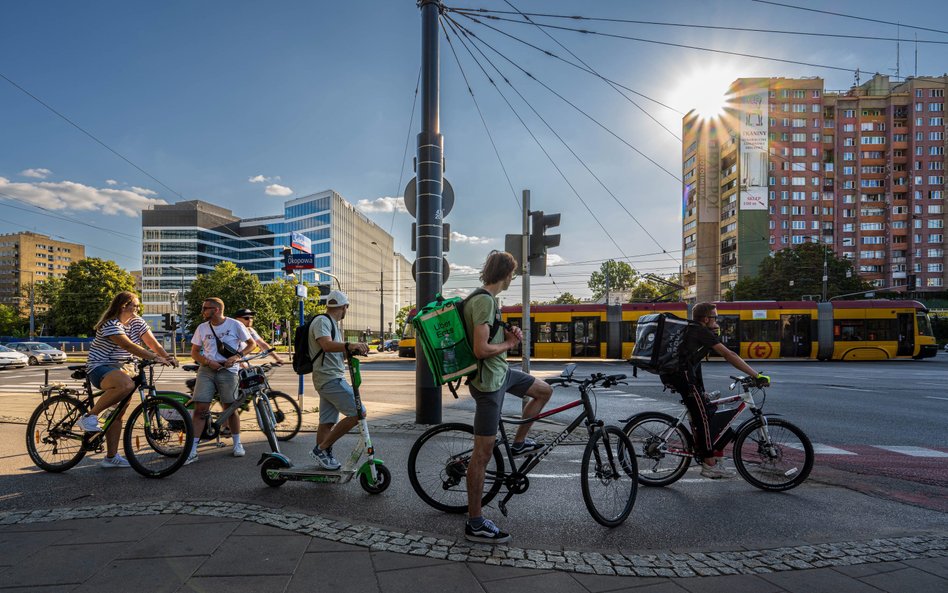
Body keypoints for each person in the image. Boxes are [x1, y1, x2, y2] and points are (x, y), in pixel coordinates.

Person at [462, 250, 553, 544]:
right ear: (506, 274)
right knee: (483, 455)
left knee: (543, 391)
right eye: (512, 273)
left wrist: (506, 333)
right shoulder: (484, 301)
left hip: (502, 374)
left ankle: (517, 443)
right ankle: (475, 522)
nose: (513, 277)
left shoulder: (488, 301)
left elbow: (490, 339)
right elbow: (481, 350)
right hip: (489, 384)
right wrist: (510, 343)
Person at [661, 302, 770, 479]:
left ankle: (717, 457)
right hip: (683, 379)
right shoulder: (700, 331)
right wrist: (756, 375)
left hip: (683, 377)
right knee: (702, 417)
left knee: (710, 412)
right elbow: (729, 355)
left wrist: (701, 390)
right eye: (715, 317)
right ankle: (709, 464)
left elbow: (693, 362)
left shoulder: (696, 329)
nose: (717, 321)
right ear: (706, 319)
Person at [80, 291, 176, 468]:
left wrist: (167, 356)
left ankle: (110, 457)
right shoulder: (110, 324)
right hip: (101, 367)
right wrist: (155, 358)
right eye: (135, 305)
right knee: (126, 385)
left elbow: (153, 343)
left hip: (126, 369)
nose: (138, 308)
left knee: (118, 413)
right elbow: (127, 345)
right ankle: (89, 417)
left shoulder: (137, 321)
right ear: (124, 305)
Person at [187, 298, 254, 464]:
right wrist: (208, 362)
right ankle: (192, 449)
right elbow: (194, 352)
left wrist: (237, 357)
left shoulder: (234, 325)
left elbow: (251, 344)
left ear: (215, 310)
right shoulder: (202, 328)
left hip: (229, 370)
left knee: (229, 408)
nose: (202, 311)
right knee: (200, 408)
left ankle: (237, 444)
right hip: (207, 370)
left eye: (205, 308)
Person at [308, 290, 369, 470]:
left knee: (327, 422)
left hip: (329, 377)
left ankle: (323, 456)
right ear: (344, 307)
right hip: (330, 378)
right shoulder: (322, 321)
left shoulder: (332, 324)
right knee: (359, 413)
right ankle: (321, 449)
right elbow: (326, 345)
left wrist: (352, 350)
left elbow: (337, 350)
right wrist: (349, 345)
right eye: (346, 308)